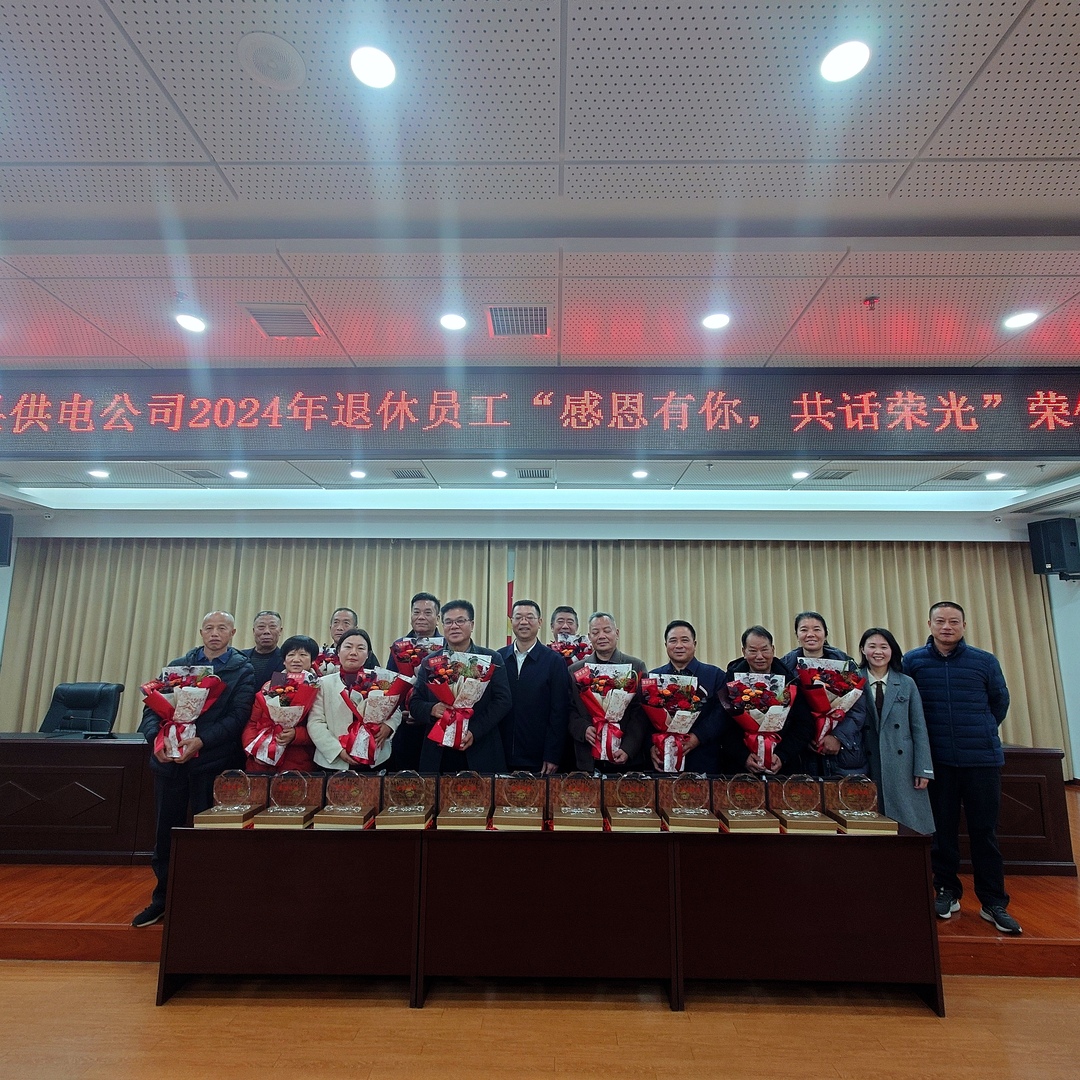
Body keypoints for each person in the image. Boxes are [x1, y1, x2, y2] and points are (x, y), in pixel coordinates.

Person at [132, 610, 256, 927]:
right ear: (201, 632)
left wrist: (202, 740)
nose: (215, 633)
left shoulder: (241, 669)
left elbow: (238, 716)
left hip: (212, 764)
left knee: (210, 836)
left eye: (222, 628)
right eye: (209, 628)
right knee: (165, 834)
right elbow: (152, 710)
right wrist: (156, 741)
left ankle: (207, 901)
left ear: (233, 633)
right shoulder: (177, 666)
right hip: (169, 765)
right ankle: (162, 900)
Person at [903, 602, 1021, 934]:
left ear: (964, 625)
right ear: (929, 624)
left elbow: (999, 702)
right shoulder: (913, 661)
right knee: (942, 831)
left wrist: (981, 729)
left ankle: (993, 901)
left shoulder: (984, 661)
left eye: (954, 621)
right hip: (937, 761)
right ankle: (946, 890)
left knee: (985, 832)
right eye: (940, 621)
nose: (947, 627)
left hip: (981, 760)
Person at [410, 599, 512, 773]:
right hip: (438, 752)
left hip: (480, 748)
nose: (454, 626)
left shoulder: (491, 659)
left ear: (471, 625)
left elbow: (503, 701)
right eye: (448, 622)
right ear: (442, 625)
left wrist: (474, 731)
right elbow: (415, 703)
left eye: (460, 621)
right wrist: (432, 709)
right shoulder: (430, 662)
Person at [857, 628, 935, 833]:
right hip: (866, 760)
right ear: (863, 650)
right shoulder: (853, 681)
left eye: (884, 647)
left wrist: (923, 768)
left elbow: (919, 728)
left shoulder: (906, 683)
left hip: (902, 764)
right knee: (870, 826)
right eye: (872, 646)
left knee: (908, 826)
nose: (878, 652)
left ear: (892, 650)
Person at [779, 610, 867, 776]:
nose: (810, 634)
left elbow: (858, 708)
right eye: (804, 630)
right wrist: (803, 737)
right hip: (801, 753)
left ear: (825, 634)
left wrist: (838, 737)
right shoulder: (785, 666)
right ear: (797, 635)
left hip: (842, 753)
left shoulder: (845, 663)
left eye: (816, 629)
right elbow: (781, 709)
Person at [717, 625, 813, 775]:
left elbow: (804, 725)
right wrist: (743, 756)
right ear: (744, 652)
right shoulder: (730, 682)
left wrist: (782, 755)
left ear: (773, 650)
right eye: (753, 651)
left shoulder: (791, 681)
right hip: (739, 768)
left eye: (764, 650)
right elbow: (722, 725)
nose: (760, 656)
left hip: (784, 766)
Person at [567, 611, 649, 772]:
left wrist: (628, 747)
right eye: (595, 632)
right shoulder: (575, 670)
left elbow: (640, 713)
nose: (601, 636)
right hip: (587, 756)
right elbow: (568, 708)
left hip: (626, 758)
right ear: (589, 637)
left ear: (616, 633)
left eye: (607, 630)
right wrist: (583, 729)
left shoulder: (636, 666)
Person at [497, 600, 572, 774]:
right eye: (518, 617)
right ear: (511, 622)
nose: (524, 622)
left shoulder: (554, 661)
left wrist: (553, 754)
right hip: (501, 754)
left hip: (539, 757)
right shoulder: (499, 658)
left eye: (530, 617)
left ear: (539, 622)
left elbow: (559, 712)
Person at [307, 628, 398, 772]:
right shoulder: (323, 683)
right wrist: (337, 750)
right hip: (333, 761)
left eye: (360, 648)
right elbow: (315, 722)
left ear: (368, 655)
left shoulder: (379, 679)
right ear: (338, 651)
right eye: (348, 647)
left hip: (375, 757)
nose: (353, 652)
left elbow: (395, 709)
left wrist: (389, 726)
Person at [647, 620, 724, 774]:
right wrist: (650, 747)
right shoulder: (653, 678)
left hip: (704, 761)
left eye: (684, 640)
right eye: (673, 641)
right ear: (666, 645)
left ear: (694, 644)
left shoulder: (715, 675)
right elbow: (644, 720)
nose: (679, 646)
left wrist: (697, 737)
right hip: (663, 760)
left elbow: (722, 715)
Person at [241, 634, 320, 774]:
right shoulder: (270, 685)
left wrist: (296, 735)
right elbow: (253, 722)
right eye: (291, 655)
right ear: (284, 660)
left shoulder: (318, 687)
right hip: (261, 761)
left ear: (313, 660)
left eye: (303, 655)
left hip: (298, 762)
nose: (296, 659)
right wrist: (252, 749)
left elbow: (322, 726)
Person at [386, 591, 442, 770]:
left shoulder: (447, 647)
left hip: (437, 723)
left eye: (427, 612)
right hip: (404, 725)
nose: (421, 617)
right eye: (416, 612)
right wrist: (399, 712)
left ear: (437, 618)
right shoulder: (399, 646)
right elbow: (390, 684)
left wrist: (425, 711)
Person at [316, 607, 380, 673]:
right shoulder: (322, 655)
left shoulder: (366, 655)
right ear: (330, 628)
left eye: (346, 623)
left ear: (355, 629)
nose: (339, 628)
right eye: (336, 622)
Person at [240, 609, 284, 689]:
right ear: (254, 631)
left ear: (280, 631)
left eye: (272, 627)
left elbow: (279, 690)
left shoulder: (285, 660)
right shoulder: (240, 657)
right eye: (261, 627)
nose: (266, 631)